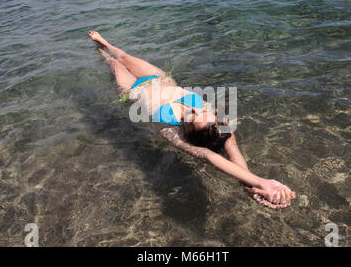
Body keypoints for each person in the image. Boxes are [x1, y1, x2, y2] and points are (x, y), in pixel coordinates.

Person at [88, 31, 296, 209]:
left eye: (192, 116)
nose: (193, 109)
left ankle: (103, 55)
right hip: (158, 77)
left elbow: (207, 155)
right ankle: (104, 43)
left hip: (133, 89)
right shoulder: (214, 119)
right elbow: (231, 145)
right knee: (123, 55)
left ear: (186, 128)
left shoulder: (172, 131)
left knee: (114, 62)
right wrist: (251, 182)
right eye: (201, 110)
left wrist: (258, 184)